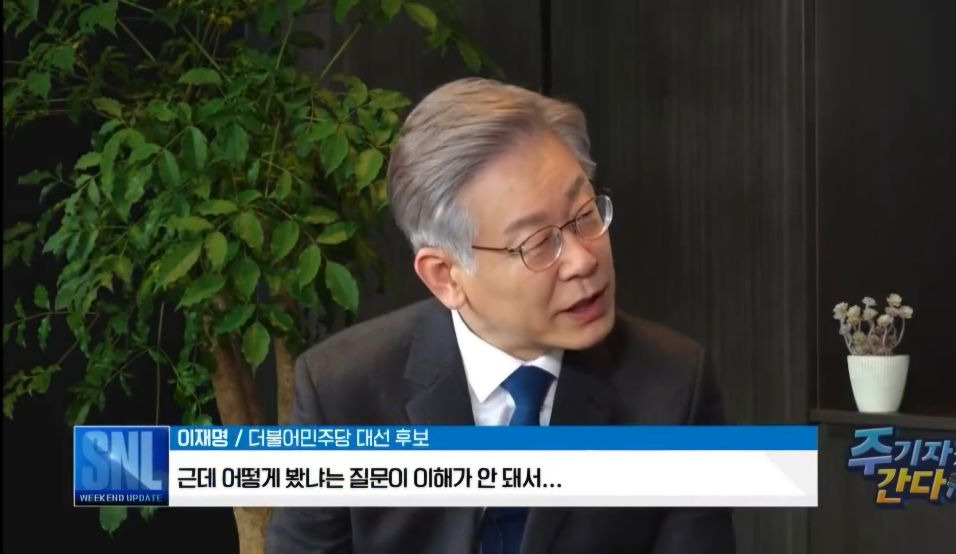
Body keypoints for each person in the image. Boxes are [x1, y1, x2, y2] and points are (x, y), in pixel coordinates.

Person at [266, 77, 735, 554]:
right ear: (445, 276)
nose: (583, 260)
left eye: (585, 215)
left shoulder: (672, 386)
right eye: (537, 244)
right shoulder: (343, 394)